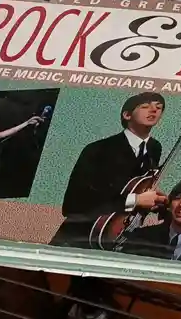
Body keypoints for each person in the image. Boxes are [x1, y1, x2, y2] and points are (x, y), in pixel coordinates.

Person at [51, 93, 167, 249]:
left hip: (117, 238)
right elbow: (73, 204)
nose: (153, 110)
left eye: (159, 108)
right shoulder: (98, 149)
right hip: (80, 237)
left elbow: (133, 186)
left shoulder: (154, 148)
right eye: (145, 106)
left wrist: (151, 202)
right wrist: (135, 200)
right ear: (127, 115)